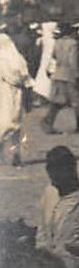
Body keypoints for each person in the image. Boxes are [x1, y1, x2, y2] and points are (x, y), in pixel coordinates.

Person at [41, 24, 79, 135]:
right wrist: (76, 74)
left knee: (58, 101)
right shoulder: (73, 43)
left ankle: (47, 122)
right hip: (68, 74)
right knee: (78, 101)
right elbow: (72, 60)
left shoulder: (57, 42)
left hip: (58, 73)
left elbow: (54, 57)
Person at [0, 22, 29, 166]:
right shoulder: (15, 58)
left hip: (6, 91)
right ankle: (15, 155)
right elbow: (23, 75)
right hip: (12, 92)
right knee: (14, 123)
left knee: (5, 123)